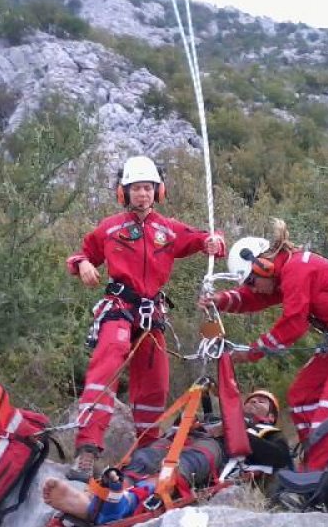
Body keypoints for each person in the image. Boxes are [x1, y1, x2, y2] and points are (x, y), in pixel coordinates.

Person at [200, 219, 328, 473]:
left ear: (263, 266)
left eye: (251, 281)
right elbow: (252, 297)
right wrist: (220, 300)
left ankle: (319, 474)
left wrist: (251, 352)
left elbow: (293, 325)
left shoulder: (297, 270)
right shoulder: (283, 271)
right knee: (302, 395)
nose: (253, 288)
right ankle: (317, 461)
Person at [65, 155, 225, 481]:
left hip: (152, 316)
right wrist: (82, 264)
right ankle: (87, 451)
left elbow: (205, 241)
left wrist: (216, 242)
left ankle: (146, 455)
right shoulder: (110, 228)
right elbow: (83, 254)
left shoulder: (169, 229)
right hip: (119, 308)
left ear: (158, 191)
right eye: (137, 188)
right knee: (106, 365)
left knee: (155, 386)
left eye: (149, 188)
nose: (143, 194)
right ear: (124, 193)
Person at [42, 391, 290, 524]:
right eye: (252, 399)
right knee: (143, 458)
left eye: (263, 403)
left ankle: (115, 505)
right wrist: (193, 422)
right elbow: (180, 424)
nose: (255, 402)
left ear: (270, 416)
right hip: (182, 439)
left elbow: (279, 458)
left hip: (215, 449)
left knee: (175, 469)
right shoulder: (214, 416)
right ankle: (106, 499)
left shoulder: (269, 433)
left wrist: (232, 431)